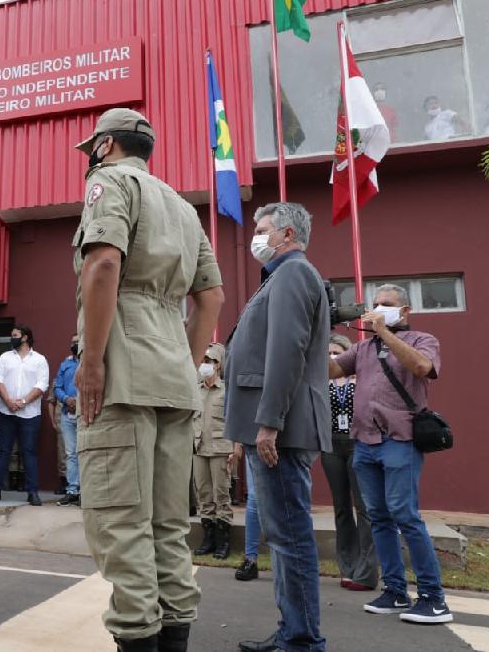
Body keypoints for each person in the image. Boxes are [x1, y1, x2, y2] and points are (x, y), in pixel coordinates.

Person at [72, 107, 223, 652]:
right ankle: (174, 636)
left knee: (122, 521)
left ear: (106, 145)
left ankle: (137, 636)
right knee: (168, 526)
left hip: (124, 371)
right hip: (173, 375)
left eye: (93, 148)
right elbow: (211, 298)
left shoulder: (108, 182)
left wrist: (93, 361)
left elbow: (103, 265)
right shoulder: (182, 207)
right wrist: (185, 362)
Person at [224, 202, 331, 652]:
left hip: (278, 431)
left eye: (263, 229)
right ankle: (293, 631)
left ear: (287, 234)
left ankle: (302, 640)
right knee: (284, 537)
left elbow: (287, 351)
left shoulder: (293, 274)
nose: (257, 238)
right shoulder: (281, 276)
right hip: (269, 428)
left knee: (290, 538)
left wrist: (269, 422)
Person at [330, 284, 453, 624]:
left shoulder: (422, 340)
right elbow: (330, 371)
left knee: (405, 515)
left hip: (399, 440)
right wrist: (313, 334)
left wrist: (385, 332)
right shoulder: (363, 348)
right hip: (364, 443)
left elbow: (422, 367)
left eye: (387, 304)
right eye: (376, 304)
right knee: (379, 517)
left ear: (405, 311)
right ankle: (395, 591)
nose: (378, 308)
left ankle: (433, 598)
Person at [322, 334, 378, 592]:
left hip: (358, 443)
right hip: (331, 445)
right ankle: (347, 566)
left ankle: (366, 570)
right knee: (341, 508)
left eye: (337, 352)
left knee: (363, 508)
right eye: (328, 353)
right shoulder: (323, 380)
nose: (332, 356)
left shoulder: (362, 378)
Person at [0, 325, 49, 506]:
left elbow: (42, 385)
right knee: (3, 451)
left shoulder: (39, 359)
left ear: (25, 337)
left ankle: (32, 492)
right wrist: (8, 401)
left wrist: (23, 402)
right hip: (6, 412)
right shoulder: (5, 357)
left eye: (15, 335)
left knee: (29, 452)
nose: (12, 338)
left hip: (30, 414)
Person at [192, 343, 233, 560]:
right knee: (204, 494)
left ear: (218, 365)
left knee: (221, 493)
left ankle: (223, 540)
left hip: (220, 449)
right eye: (203, 361)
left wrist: (236, 448)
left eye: (209, 361)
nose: (204, 365)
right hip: (199, 448)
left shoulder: (226, 390)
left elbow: (234, 421)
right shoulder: (195, 390)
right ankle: (208, 538)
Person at [53, 335, 80, 506]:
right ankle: (72, 490)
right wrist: (66, 399)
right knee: (70, 454)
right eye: (73, 342)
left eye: (78, 342)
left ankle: (85, 491)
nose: (75, 345)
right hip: (66, 414)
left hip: (86, 414)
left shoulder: (90, 361)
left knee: (84, 453)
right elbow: (57, 387)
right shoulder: (65, 364)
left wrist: (79, 402)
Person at [230, 442, 261, 582]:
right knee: (254, 498)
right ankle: (251, 560)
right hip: (253, 443)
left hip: (283, 445)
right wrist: (238, 443)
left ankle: (284, 561)